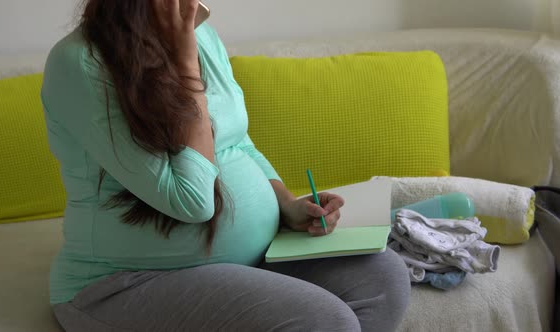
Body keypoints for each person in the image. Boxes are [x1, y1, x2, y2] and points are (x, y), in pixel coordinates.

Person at [41, 0, 411, 331]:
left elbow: (236, 141)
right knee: (325, 321)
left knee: (383, 277)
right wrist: (187, 68)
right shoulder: (79, 63)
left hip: (252, 260)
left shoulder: (202, 38)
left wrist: (286, 204)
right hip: (129, 282)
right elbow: (192, 202)